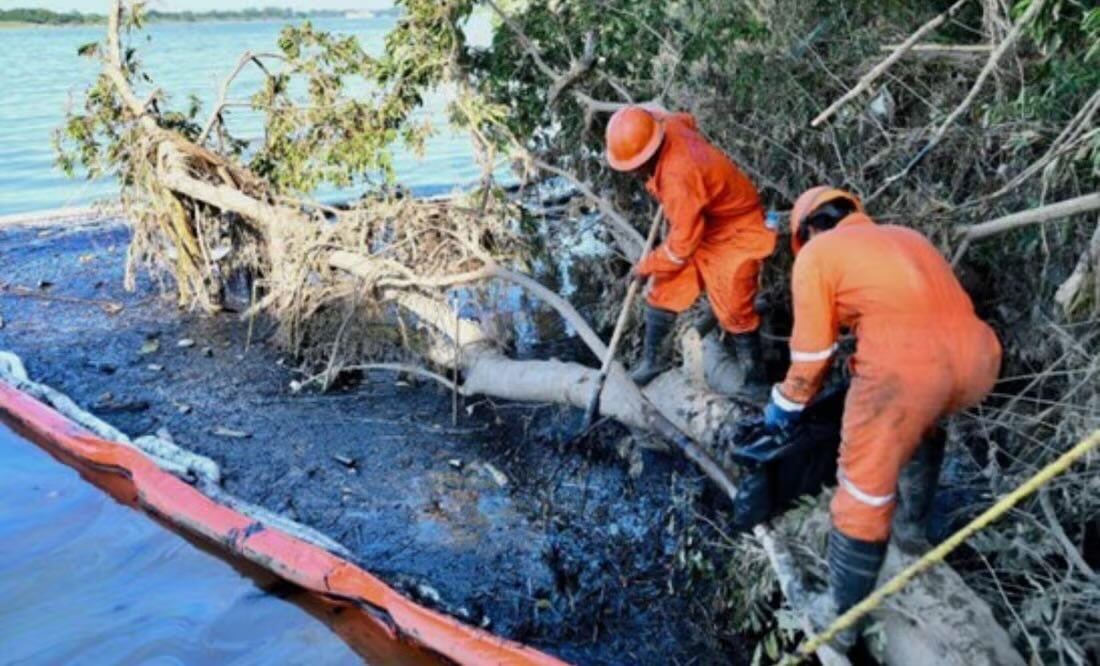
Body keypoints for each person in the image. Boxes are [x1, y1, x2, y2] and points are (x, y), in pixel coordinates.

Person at [762, 186, 1002, 647]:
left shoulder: (818, 255)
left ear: (809, 231)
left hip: (906, 370)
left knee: (862, 488)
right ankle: (911, 532)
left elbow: (812, 355)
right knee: (922, 428)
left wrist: (785, 405)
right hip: (979, 359)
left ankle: (841, 621)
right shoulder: (907, 237)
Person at [605, 105, 776, 392]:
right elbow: (687, 119)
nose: (633, 173)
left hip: (736, 230)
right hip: (705, 221)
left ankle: (755, 383)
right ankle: (653, 361)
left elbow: (680, 248)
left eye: (634, 167)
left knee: (735, 309)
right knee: (665, 288)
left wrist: (645, 267)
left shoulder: (678, 177)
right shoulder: (669, 124)